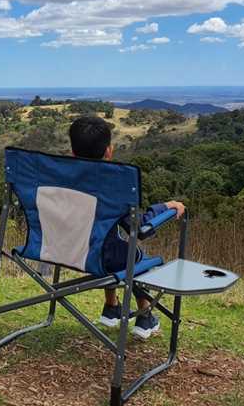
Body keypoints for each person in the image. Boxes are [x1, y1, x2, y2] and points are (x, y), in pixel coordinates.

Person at [68, 115, 186, 339]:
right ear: (109, 152)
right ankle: (145, 316)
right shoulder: (113, 187)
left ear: (72, 152)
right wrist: (167, 206)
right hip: (99, 256)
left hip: (63, 250)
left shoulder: (60, 177)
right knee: (134, 257)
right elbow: (139, 227)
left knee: (112, 245)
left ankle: (111, 307)